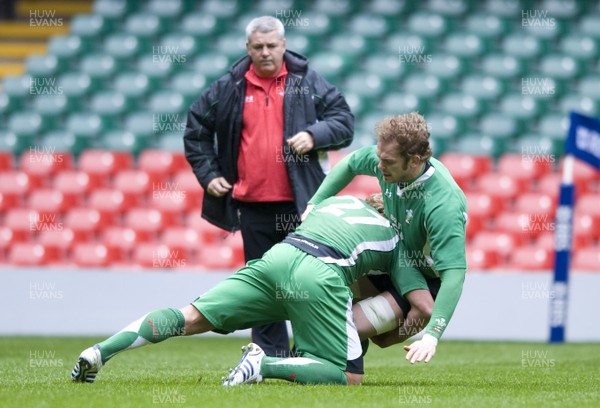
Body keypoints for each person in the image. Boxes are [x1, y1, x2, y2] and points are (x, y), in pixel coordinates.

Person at [71, 195, 400, 386]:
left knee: (189, 317)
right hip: (319, 273)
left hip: (277, 257)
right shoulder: (394, 233)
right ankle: (263, 364)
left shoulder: (339, 200)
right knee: (348, 376)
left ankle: (100, 351)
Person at [183, 16, 354, 358]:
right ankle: (268, 358)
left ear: (283, 45)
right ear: (248, 48)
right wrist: (209, 173)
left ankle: (312, 351)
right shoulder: (228, 88)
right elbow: (196, 130)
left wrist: (314, 134)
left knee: (306, 283)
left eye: (271, 46)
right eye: (258, 47)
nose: (265, 53)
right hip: (253, 205)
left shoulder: (306, 82)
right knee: (264, 286)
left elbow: (344, 122)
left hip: (302, 206)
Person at [306, 112, 468, 364]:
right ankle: (324, 358)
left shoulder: (442, 205)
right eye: (379, 157)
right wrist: (314, 203)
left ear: (414, 161)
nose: (379, 166)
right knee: (326, 305)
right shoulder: (388, 161)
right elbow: (350, 164)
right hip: (390, 261)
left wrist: (432, 335)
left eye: (387, 161)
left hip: (424, 282)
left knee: (358, 332)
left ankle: (337, 357)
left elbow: (454, 274)